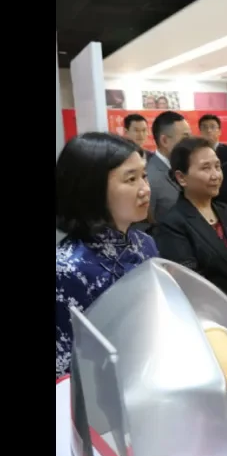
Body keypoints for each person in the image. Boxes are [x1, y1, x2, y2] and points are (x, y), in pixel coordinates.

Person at [56, 132, 158, 377]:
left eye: (144, 176)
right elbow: (67, 365)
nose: (144, 189)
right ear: (92, 189)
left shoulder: (145, 244)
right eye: (131, 179)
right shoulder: (67, 267)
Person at [154, 137, 227, 322]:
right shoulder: (173, 224)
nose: (215, 175)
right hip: (219, 318)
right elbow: (193, 284)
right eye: (206, 168)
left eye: (217, 166)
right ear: (181, 177)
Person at [147, 111, 192, 224]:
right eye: (185, 137)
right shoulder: (149, 177)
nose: (190, 142)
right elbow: (144, 225)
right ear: (165, 141)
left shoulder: (185, 168)